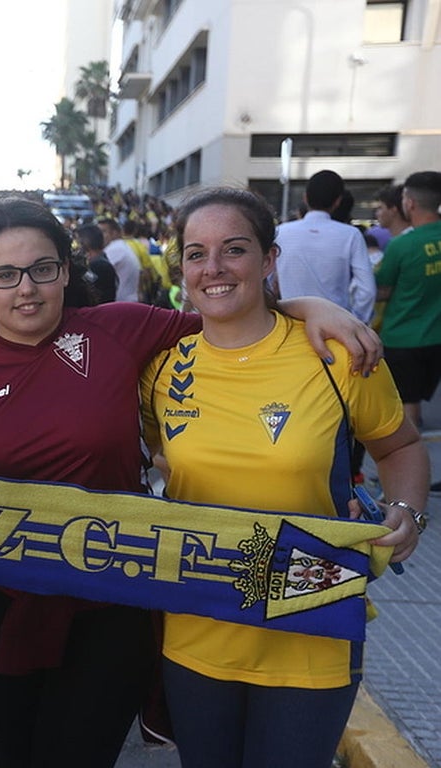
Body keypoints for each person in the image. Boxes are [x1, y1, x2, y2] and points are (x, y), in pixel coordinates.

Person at [0, 197, 382, 768]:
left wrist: (315, 309)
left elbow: (226, 313)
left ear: (65, 273)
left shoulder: (117, 330)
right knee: (12, 751)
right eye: (6, 275)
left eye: (43, 269)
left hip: (112, 596)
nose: (26, 288)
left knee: (77, 755)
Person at [140, 186, 426, 768]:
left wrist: (408, 512)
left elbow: (400, 446)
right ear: (182, 269)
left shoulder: (335, 353)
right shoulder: (162, 369)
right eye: (196, 253)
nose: (213, 268)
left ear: (270, 259)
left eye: (234, 249)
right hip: (199, 621)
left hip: (311, 616)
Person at [376, 171, 441, 429]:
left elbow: (381, 290)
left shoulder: (402, 246)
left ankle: (409, 466)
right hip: (436, 337)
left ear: (409, 202)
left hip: (403, 338)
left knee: (406, 407)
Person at [274, 169, 376, 322]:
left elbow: (266, 283)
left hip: (290, 324)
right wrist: (356, 320)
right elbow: (367, 290)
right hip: (336, 325)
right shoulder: (351, 235)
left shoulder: (281, 232)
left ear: (305, 198)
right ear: (338, 201)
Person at [98, 217, 141, 302]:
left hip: (122, 303)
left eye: (103, 231)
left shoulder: (116, 248)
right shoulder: (121, 246)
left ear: (114, 233)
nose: (98, 236)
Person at [74, 223, 119, 303]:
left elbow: (83, 284)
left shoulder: (98, 265)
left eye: (78, 240)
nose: (76, 245)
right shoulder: (101, 259)